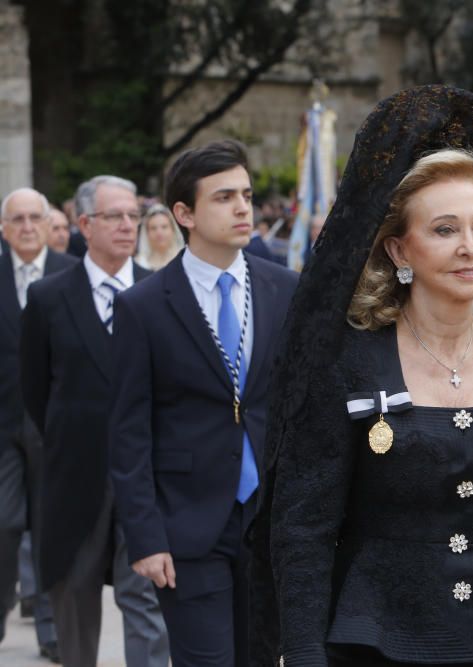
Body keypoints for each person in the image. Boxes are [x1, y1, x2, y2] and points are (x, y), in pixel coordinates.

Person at [251, 85, 473, 667]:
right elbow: (305, 528)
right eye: (445, 229)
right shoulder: (343, 363)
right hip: (382, 638)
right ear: (399, 249)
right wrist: (301, 650)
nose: (470, 248)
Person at [109, 141, 298, 667]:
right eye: (224, 198)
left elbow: (300, 408)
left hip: (269, 524)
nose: (243, 208)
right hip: (187, 526)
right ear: (184, 214)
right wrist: (145, 538)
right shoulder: (143, 306)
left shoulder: (283, 288)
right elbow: (128, 432)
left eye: (246, 195)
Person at [20, 176, 168, 667]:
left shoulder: (159, 289)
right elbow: (36, 390)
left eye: (134, 216)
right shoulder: (48, 297)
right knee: (75, 596)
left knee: (145, 599)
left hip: (145, 475)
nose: (128, 226)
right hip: (75, 473)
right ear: (84, 224)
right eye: (115, 217)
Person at [0, 188, 74, 661]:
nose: (27, 226)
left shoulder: (71, 276)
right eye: (17, 219)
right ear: (4, 228)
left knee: (53, 527)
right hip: (2, 427)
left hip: (55, 425)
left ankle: (52, 628)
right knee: (5, 525)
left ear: (50, 225)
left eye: (35, 218)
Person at [135, 204, 184, 270]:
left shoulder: (183, 259)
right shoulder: (139, 263)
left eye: (164, 227)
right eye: (153, 228)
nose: (159, 233)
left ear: (173, 230)